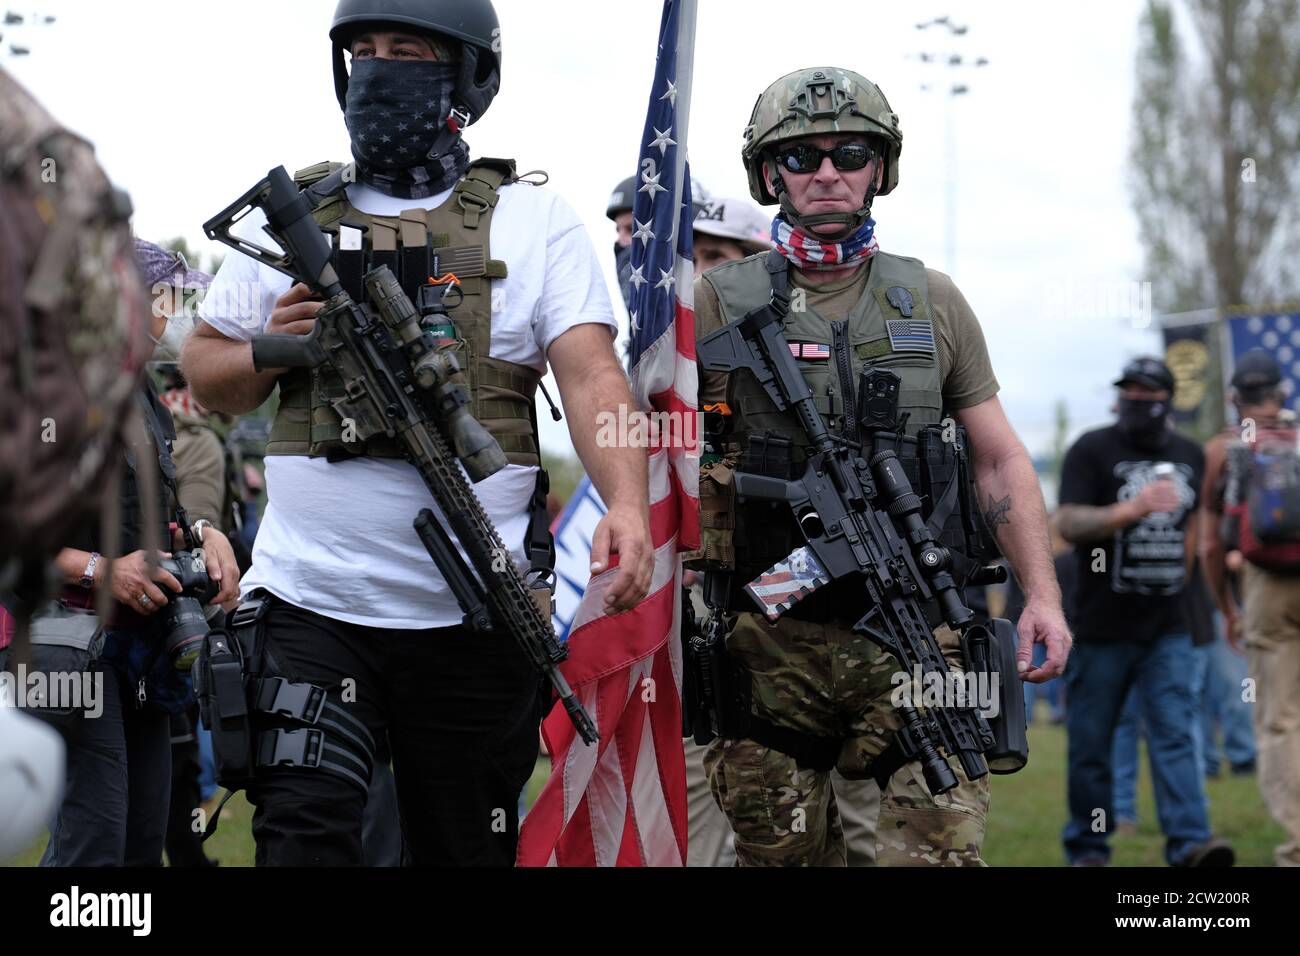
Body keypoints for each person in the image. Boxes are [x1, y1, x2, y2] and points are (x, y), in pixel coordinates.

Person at [182, 0, 652, 867]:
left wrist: (627, 500)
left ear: (466, 77)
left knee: (463, 849)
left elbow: (591, 375)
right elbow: (207, 374)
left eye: (406, 51)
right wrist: (285, 342)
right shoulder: (297, 215)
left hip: (473, 616)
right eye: (361, 51)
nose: (378, 69)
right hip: (308, 607)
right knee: (303, 845)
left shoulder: (534, 219)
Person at [692, 67, 1069, 866]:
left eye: (850, 152)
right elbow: (663, 445)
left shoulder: (931, 299)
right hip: (767, 646)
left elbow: (999, 460)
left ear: (880, 169)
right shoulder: (714, 301)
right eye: (802, 157)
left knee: (940, 852)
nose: (827, 172)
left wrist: (1042, 594)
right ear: (769, 174)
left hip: (920, 639)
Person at [31, 241, 241, 867]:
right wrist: (99, 570)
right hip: (62, 642)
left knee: (140, 838)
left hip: (139, 650)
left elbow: (149, 515)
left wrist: (205, 536)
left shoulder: (141, 394)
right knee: (93, 841)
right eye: (167, 297)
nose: (177, 313)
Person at [1056, 356, 1233, 867]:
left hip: (1168, 629)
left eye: (1148, 394)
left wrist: (1193, 582)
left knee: (1176, 736)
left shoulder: (1190, 454)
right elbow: (1067, 522)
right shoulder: (1092, 449)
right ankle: (1089, 848)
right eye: (1128, 392)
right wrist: (1129, 510)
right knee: (1092, 744)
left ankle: (1191, 844)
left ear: (1167, 401)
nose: (1137, 401)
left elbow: (1195, 525)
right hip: (1102, 629)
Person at [1199, 348, 1300, 866]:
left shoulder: (1226, 448)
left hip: (1266, 589)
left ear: (1236, 397)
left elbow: (1211, 545)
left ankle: (1297, 850)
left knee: (1281, 721)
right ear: (1282, 392)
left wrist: (1227, 607)